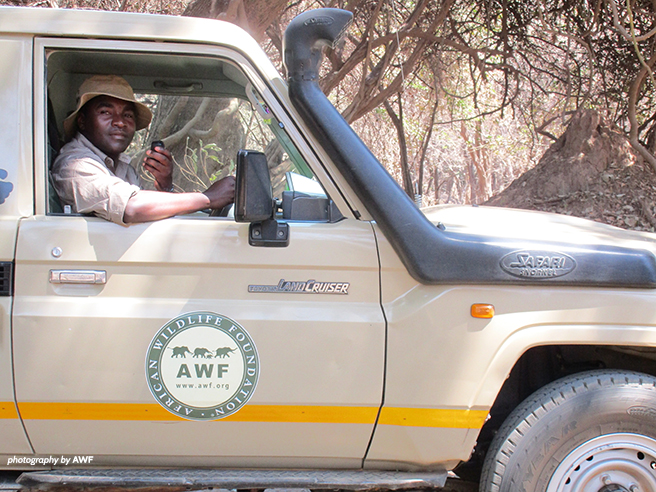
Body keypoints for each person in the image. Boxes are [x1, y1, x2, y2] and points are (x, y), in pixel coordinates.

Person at [51, 75, 235, 226]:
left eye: (128, 115)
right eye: (105, 112)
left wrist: (165, 185)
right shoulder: (75, 164)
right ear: (82, 121)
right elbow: (132, 207)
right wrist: (208, 198)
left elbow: (147, 218)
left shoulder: (122, 168)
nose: (120, 122)